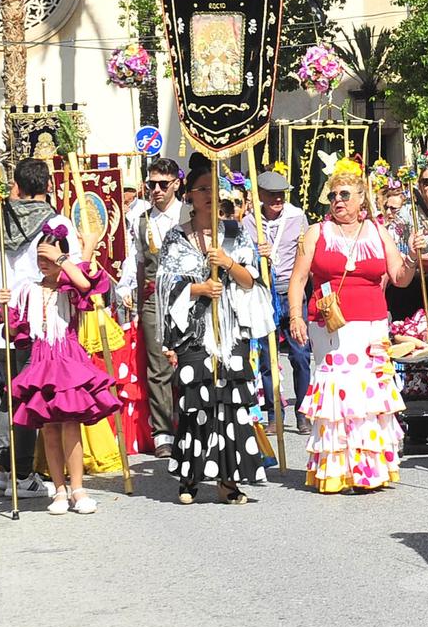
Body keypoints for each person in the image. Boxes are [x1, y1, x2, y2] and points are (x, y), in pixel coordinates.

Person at [288, 161, 410, 493]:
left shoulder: (378, 232)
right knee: (338, 393)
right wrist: (295, 316)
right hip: (330, 326)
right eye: (333, 195)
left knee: (369, 397)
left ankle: (369, 470)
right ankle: (336, 469)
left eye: (345, 194)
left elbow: (399, 276)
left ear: (361, 200)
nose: (338, 200)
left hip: (372, 325)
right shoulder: (316, 232)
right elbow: (298, 279)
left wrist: (413, 257)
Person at [161, 156, 270, 504]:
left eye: (214, 189)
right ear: (189, 195)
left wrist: (228, 263)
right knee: (198, 400)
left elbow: (251, 279)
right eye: (202, 189)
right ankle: (191, 476)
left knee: (232, 400)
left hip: (231, 330)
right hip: (194, 331)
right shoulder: (176, 238)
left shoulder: (236, 234)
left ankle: (228, 479)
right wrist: (197, 289)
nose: (210, 195)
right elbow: (164, 285)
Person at [9, 223, 122, 515]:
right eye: (40, 258)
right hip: (42, 362)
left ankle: (78, 488)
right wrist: (3, 305)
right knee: (48, 428)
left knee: (71, 425)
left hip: (68, 360)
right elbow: (16, 333)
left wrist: (66, 257)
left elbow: (85, 283)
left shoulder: (71, 286)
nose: (43, 263)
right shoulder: (28, 291)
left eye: (49, 258)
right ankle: (58, 490)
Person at [0, 160, 62, 499]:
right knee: (28, 399)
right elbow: (72, 264)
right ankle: (21, 474)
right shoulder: (56, 223)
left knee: (10, 396)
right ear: (47, 185)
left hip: (2, 317)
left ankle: (4, 467)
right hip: (37, 320)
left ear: (18, 187)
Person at [126, 156, 187, 457]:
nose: (157, 190)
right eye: (152, 185)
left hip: (188, 297)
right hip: (153, 299)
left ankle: (190, 422)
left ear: (176, 183)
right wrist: (139, 304)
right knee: (158, 366)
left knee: (189, 360)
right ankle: (163, 431)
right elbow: (138, 263)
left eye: (163, 184)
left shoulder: (189, 214)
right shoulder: (141, 220)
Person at [254, 169, 311, 428]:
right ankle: (274, 413)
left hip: (293, 292)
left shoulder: (297, 217)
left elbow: (307, 254)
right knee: (268, 359)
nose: (277, 200)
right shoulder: (250, 221)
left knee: (300, 354)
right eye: (272, 195)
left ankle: (303, 411)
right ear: (261, 195)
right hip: (265, 293)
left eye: (281, 195)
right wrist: (257, 253)